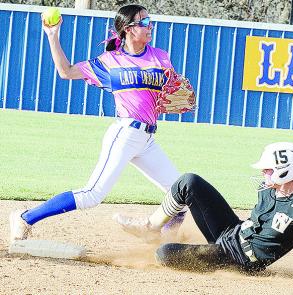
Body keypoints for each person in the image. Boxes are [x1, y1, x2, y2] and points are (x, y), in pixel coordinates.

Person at [9, 4, 187, 243]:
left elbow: (169, 92)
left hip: (147, 139)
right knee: (92, 195)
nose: (150, 26)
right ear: (128, 29)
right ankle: (24, 218)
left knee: (180, 196)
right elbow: (66, 71)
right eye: (143, 22)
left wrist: (174, 97)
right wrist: (53, 36)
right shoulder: (110, 62)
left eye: (149, 20)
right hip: (125, 134)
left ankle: (158, 242)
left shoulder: (161, 56)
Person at [114, 142, 293, 290]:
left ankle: (172, 244)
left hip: (237, 260)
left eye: (268, 169)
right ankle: (151, 227)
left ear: (287, 170)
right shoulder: (269, 190)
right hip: (231, 233)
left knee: (164, 253)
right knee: (189, 181)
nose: (263, 172)